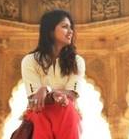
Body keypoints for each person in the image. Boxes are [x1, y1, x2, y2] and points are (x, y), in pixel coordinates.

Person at [21, 9, 85, 139]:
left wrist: (47, 90)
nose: (71, 31)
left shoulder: (77, 62)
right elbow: (36, 99)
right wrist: (49, 94)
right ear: (50, 31)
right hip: (40, 116)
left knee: (68, 108)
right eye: (64, 27)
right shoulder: (30, 61)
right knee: (38, 112)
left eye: (71, 27)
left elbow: (72, 94)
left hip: (66, 115)